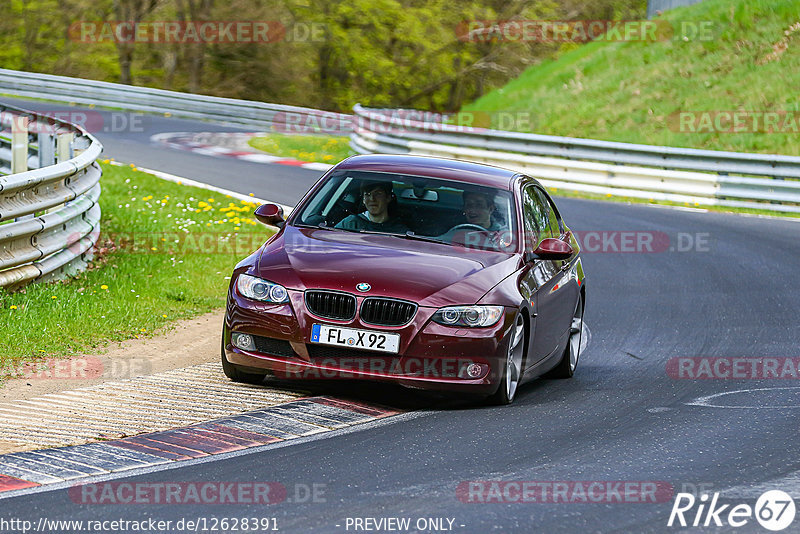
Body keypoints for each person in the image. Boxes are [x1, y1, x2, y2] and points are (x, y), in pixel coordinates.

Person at [335, 181, 410, 234]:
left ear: (388, 198)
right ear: (363, 200)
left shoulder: (400, 231)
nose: (372, 199)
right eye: (367, 194)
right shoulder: (350, 224)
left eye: (378, 193)